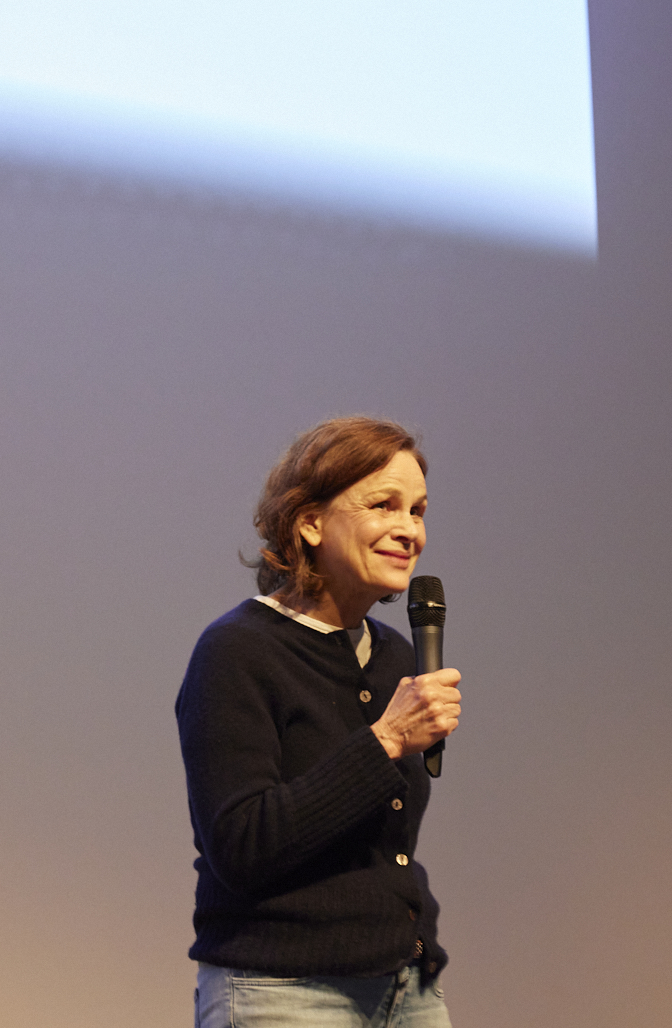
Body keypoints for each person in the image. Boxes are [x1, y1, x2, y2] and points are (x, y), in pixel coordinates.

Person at [176, 416, 462, 1028]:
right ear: (309, 522)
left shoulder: (396, 657)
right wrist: (386, 740)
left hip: (406, 988)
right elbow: (242, 846)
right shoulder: (237, 651)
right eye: (383, 505)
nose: (409, 529)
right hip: (285, 991)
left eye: (417, 511)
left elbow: (384, 848)